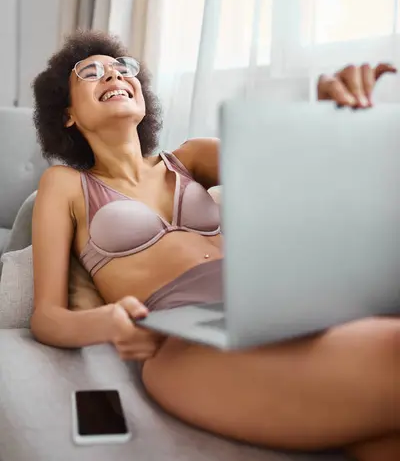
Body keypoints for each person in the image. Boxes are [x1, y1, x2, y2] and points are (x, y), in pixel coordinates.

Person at [31, 30, 399, 461]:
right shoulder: (65, 185)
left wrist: (328, 114)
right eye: (91, 72)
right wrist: (108, 322)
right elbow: (47, 317)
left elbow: (291, 166)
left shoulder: (191, 158)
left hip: (272, 308)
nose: (113, 74)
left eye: (122, 68)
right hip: (185, 344)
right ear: (68, 114)